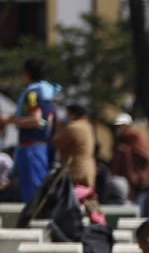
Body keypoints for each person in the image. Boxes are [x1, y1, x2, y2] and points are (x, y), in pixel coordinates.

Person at [0, 57, 60, 202]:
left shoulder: (32, 94)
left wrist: (9, 120)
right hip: (41, 147)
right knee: (37, 187)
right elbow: (47, 122)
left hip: (30, 149)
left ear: (27, 72)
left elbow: (36, 119)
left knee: (32, 191)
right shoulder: (47, 93)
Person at [111, 112, 149, 197]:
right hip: (126, 183)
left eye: (121, 126)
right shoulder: (122, 139)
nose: (119, 129)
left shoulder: (136, 137)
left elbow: (146, 156)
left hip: (140, 181)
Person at [51, 103, 96, 190]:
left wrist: (59, 129)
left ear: (72, 114)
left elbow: (56, 142)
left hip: (75, 170)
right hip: (88, 169)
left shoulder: (73, 127)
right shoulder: (87, 126)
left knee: (72, 199)